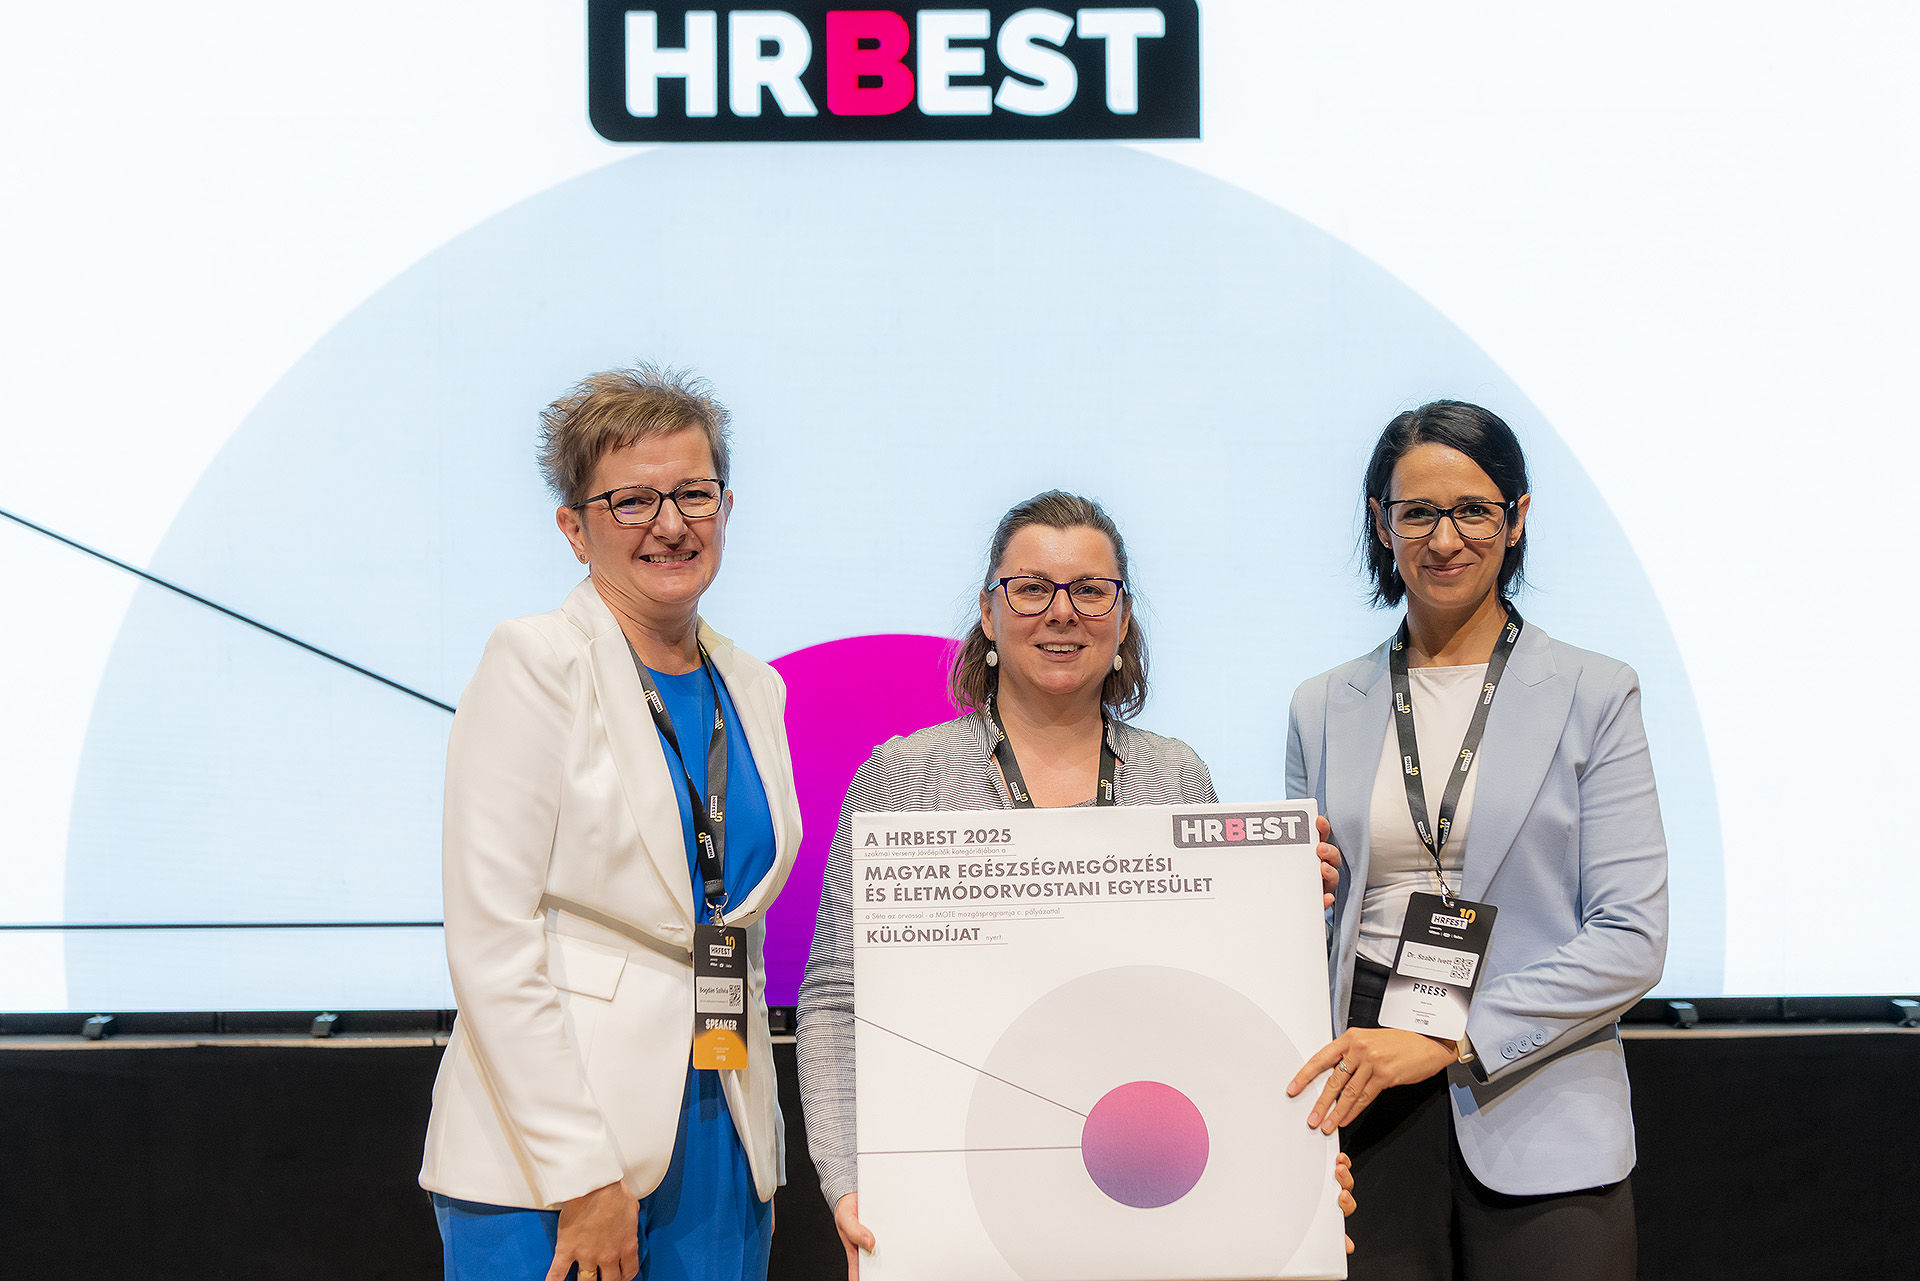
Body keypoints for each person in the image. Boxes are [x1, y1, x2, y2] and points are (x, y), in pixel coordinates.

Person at [795, 490, 1353, 1280]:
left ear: (1122, 618)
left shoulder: (1176, 774)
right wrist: (850, 1180)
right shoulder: (904, 775)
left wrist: (1279, 906)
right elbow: (834, 999)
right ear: (989, 612)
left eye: (1091, 590)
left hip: (1143, 1182)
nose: (1062, 612)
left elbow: (1216, 1006)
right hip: (959, 1193)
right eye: (1032, 588)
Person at [419, 365, 800, 1281]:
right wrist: (582, 1173)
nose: (670, 524)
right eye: (632, 500)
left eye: (694, 493)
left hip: (722, 1130)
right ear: (573, 527)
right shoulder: (536, 661)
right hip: (551, 1160)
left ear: (727, 505)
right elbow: (492, 940)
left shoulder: (753, 684)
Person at [1284, 401, 1668, 1279]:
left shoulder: (1596, 692)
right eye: (1418, 512)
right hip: (1362, 1091)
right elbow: (1314, 926)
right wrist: (1292, 892)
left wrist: (1451, 1038)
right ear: (1382, 522)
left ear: (1516, 516)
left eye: (1473, 510)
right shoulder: (1322, 704)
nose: (1445, 538)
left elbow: (1632, 937)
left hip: (1544, 1097)